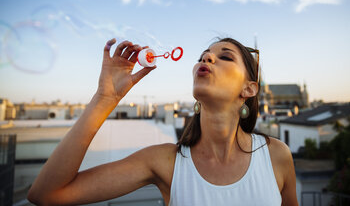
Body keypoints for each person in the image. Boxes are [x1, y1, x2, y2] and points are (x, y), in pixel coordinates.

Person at [28, 37, 298, 205]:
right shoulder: (164, 162)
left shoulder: (276, 156)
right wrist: (105, 98)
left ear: (249, 89)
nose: (207, 57)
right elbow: (47, 194)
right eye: (203, 55)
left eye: (225, 56)